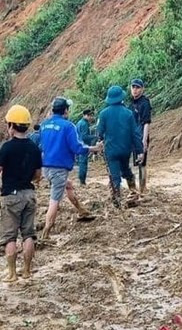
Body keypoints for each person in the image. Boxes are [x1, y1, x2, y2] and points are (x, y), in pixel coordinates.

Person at [0, 105, 42, 282]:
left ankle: (12, 274)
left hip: (10, 197)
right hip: (29, 195)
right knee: (29, 235)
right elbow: (37, 176)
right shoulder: (34, 148)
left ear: (12, 126)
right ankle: (27, 271)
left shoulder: (7, 148)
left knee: (10, 237)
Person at [39, 96, 101, 240]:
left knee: (68, 185)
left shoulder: (44, 125)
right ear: (66, 110)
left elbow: (42, 146)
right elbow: (77, 147)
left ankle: (81, 210)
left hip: (46, 167)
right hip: (59, 168)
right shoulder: (68, 126)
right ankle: (46, 233)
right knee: (54, 200)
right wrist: (94, 148)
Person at [97, 85, 143, 208]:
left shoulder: (103, 114)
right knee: (126, 169)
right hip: (125, 150)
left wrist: (100, 141)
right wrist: (140, 151)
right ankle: (133, 192)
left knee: (114, 175)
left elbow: (99, 133)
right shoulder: (128, 113)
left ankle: (116, 200)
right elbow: (135, 134)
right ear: (121, 98)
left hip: (111, 150)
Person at [128, 78, 152, 193]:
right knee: (137, 162)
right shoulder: (131, 103)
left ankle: (142, 188)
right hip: (133, 137)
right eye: (133, 87)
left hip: (141, 136)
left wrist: (144, 140)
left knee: (142, 163)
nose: (135, 90)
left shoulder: (145, 103)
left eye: (137, 87)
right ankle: (140, 187)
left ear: (142, 89)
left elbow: (146, 122)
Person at [75, 108, 96, 185]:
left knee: (81, 163)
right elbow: (84, 136)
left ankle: (82, 180)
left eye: (91, 115)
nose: (90, 117)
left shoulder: (79, 123)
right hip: (83, 145)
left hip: (79, 144)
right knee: (83, 164)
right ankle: (82, 181)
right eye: (89, 115)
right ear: (84, 115)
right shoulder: (84, 124)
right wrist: (94, 136)